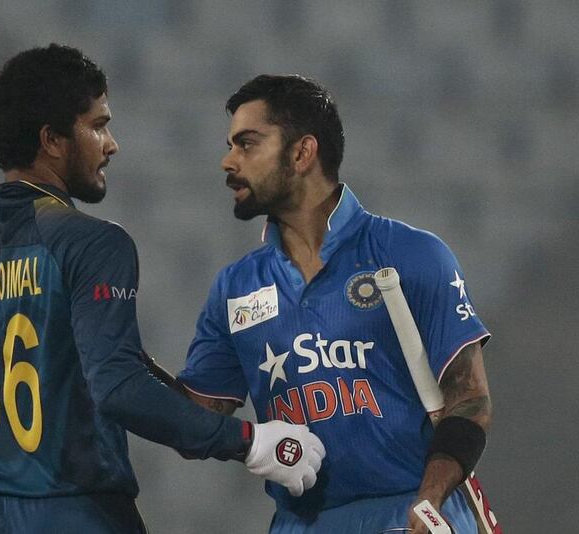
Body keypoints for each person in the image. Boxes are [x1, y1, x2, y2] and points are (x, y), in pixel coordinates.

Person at [0, 47, 327, 534]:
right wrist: (251, 441)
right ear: (53, 140)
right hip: (74, 512)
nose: (111, 145)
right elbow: (119, 389)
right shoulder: (93, 244)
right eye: (98, 125)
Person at [170, 75, 493, 533]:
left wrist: (429, 502)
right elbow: (195, 422)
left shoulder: (410, 254)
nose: (228, 161)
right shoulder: (234, 287)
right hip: (301, 522)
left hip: (409, 514)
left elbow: (470, 399)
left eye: (247, 144)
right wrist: (116, 358)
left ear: (302, 153)